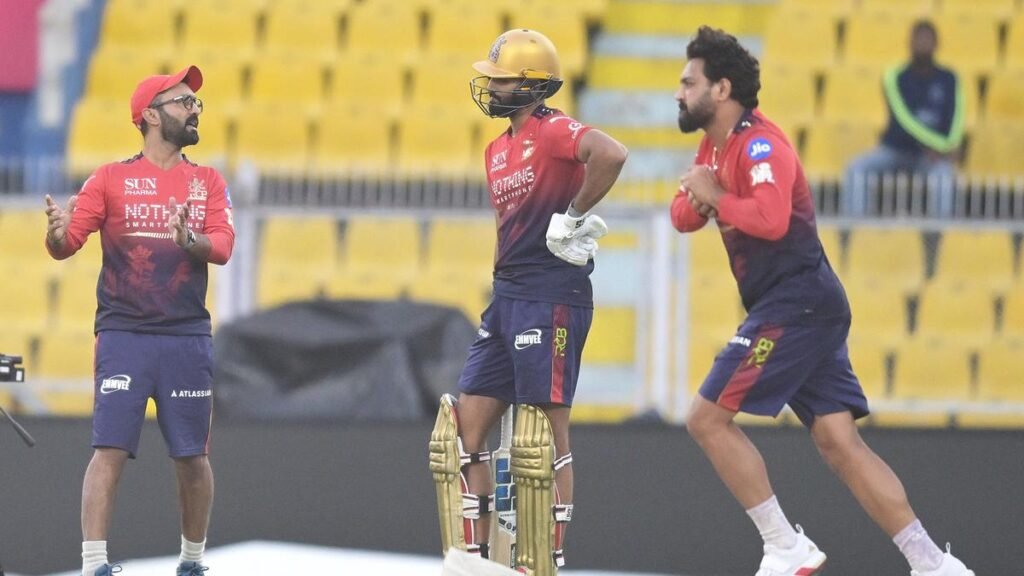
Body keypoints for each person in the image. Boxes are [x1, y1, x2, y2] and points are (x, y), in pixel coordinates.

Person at [670, 27, 973, 576]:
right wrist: (703, 198)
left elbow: (770, 220)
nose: (679, 93)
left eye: (689, 83)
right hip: (803, 304)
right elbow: (681, 215)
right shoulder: (713, 145)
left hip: (797, 303)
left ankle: (784, 545)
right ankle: (933, 564)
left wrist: (715, 195)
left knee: (707, 419)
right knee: (838, 440)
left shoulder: (760, 145)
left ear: (722, 89)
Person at [434, 28, 627, 570]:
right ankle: (476, 556)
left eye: (501, 80)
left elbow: (611, 154)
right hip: (507, 296)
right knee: (463, 431)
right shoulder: (495, 150)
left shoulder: (553, 129)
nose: (491, 88)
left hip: (552, 293)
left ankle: (545, 558)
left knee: (543, 433)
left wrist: (574, 215)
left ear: (531, 84)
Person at [44, 65, 234, 576]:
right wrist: (56, 233)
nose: (195, 109)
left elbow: (222, 246)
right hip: (123, 334)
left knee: (192, 457)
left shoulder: (207, 181)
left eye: (196, 102)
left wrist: (189, 240)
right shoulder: (110, 178)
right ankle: (94, 565)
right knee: (108, 449)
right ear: (150, 115)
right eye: (184, 101)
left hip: (186, 335)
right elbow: (66, 245)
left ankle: (192, 562)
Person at [844, 19, 965, 218]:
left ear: (937, 43)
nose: (923, 43)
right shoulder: (894, 76)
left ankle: (940, 233)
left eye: (927, 39)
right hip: (894, 150)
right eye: (919, 38)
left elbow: (956, 117)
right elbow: (903, 120)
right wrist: (938, 145)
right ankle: (856, 229)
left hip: (929, 157)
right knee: (856, 169)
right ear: (909, 42)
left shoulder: (949, 78)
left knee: (944, 176)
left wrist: (949, 146)